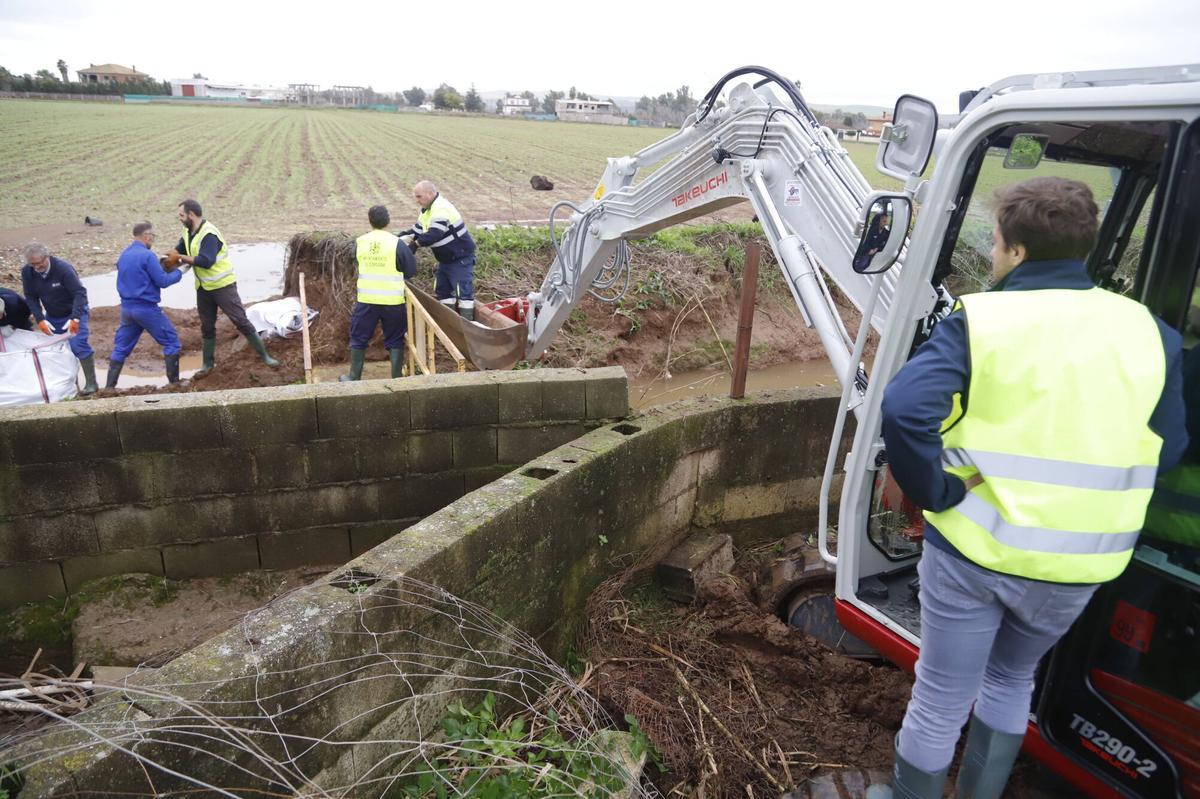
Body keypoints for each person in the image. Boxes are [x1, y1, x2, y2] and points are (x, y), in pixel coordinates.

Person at [868, 177, 1188, 799]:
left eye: (994, 243)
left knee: (940, 697)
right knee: (1012, 680)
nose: (992, 255)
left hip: (975, 555)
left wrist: (937, 492)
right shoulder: (1151, 334)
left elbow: (905, 411)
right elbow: (1168, 448)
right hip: (1081, 564)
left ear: (1015, 251)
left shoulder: (985, 320)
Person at [173, 198, 279, 374]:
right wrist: (168, 257)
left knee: (240, 321)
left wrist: (181, 258)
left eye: (181, 215)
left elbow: (206, 261)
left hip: (223, 287)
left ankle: (265, 356)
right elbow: (180, 249)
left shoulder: (209, 234)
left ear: (191, 215)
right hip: (203, 288)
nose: (179, 218)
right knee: (207, 326)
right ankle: (207, 365)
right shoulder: (188, 231)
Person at [341, 205, 417, 382]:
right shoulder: (396, 243)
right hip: (393, 300)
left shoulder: (360, 242)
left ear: (370, 221)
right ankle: (397, 378)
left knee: (359, 336)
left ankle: (353, 376)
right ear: (388, 221)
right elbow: (411, 270)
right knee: (395, 339)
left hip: (367, 300)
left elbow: (354, 264)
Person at [106, 222, 185, 386]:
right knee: (172, 342)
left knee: (121, 347)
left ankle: (109, 387)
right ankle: (175, 384)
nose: (153, 240)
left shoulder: (124, 255)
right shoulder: (148, 256)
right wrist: (179, 272)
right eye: (153, 236)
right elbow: (162, 281)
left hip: (127, 309)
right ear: (146, 235)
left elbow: (138, 276)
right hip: (146, 309)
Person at [20, 242, 97, 394]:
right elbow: (30, 296)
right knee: (59, 349)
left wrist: (75, 318)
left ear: (46, 257)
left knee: (77, 345)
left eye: (39, 263)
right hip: (53, 315)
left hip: (74, 312)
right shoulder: (28, 272)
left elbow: (80, 293)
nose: (36, 267)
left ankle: (91, 384)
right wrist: (40, 319)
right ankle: (70, 385)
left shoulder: (63, 269)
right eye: (32, 264)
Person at [403, 180, 477, 321]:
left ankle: (468, 324)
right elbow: (415, 231)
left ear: (430, 193)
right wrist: (397, 240)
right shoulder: (427, 211)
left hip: (460, 257)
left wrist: (415, 245)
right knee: (442, 290)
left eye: (419, 196)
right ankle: (449, 323)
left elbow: (435, 233)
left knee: (463, 292)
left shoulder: (441, 207)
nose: (416, 200)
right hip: (446, 259)